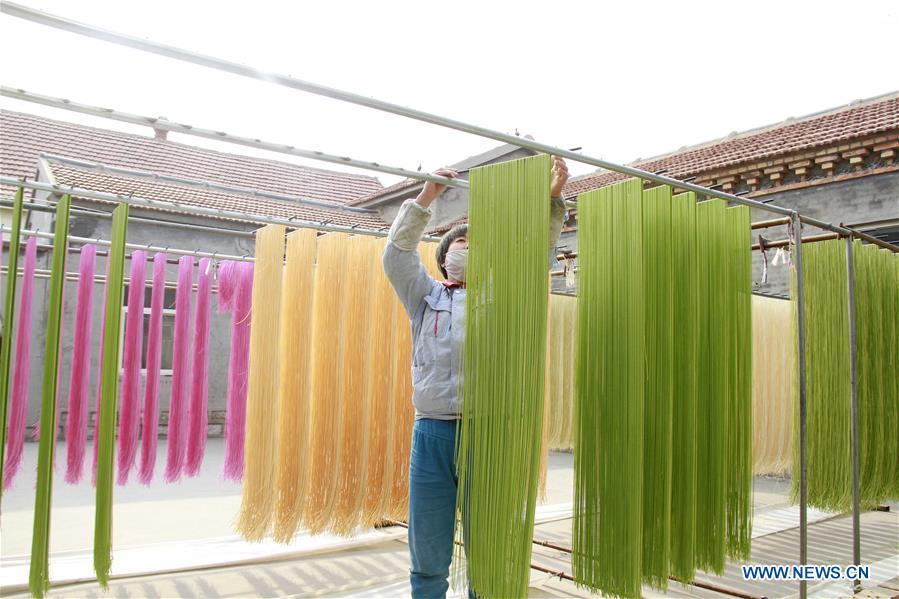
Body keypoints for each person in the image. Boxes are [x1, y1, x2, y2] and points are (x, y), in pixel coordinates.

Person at [383, 156, 569, 598]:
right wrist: (427, 197)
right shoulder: (424, 297)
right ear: (446, 258)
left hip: (489, 432)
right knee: (428, 546)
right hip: (432, 433)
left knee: (488, 546)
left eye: (472, 242)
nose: (466, 246)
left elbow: (535, 253)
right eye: (459, 242)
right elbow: (396, 255)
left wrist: (551, 199)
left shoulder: (503, 296)